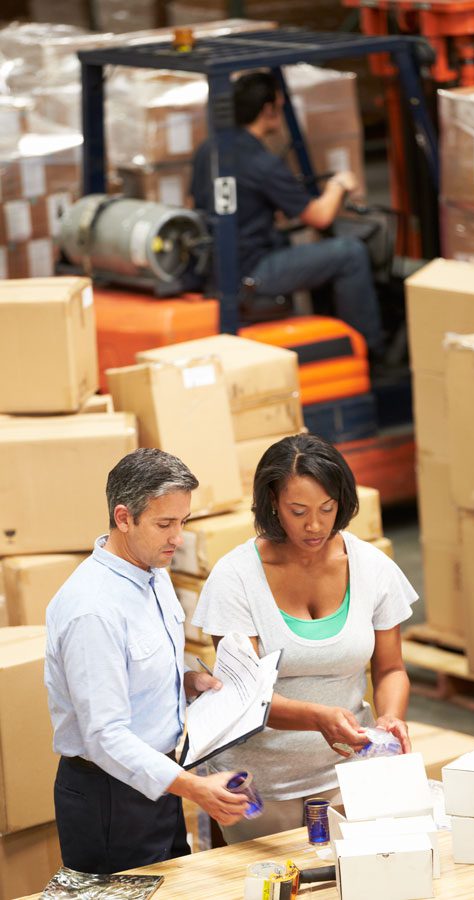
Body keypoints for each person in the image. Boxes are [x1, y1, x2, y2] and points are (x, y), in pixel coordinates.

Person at [192, 432, 417, 843]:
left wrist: (390, 717)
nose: (315, 525)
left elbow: (390, 669)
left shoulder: (371, 568)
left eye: (326, 509)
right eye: (298, 511)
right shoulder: (236, 577)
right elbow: (241, 698)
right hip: (260, 788)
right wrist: (317, 718)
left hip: (348, 775)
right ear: (273, 505)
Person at [44, 448, 248, 874]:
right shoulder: (93, 609)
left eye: (183, 522)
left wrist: (184, 682)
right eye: (165, 524)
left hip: (157, 780)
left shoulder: (153, 570)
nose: (178, 537)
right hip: (110, 798)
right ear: (123, 517)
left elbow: (136, 665)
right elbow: (104, 735)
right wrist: (195, 788)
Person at [190, 70, 386, 364]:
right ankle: (369, 352)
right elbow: (319, 217)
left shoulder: (210, 149)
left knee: (301, 245)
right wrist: (339, 185)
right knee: (350, 253)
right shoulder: (262, 163)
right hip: (253, 272)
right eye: (280, 106)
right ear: (268, 109)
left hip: (219, 266)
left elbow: (203, 200)